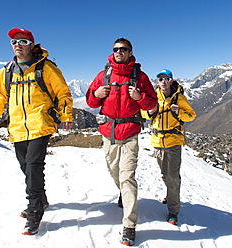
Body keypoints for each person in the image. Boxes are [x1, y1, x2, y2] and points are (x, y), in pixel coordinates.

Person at [0, 28, 73, 235]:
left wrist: (66, 115)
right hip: (17, 129)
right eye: (14, 42)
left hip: (40, 125)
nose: (17, 45)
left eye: (23, 41)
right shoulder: (6, 72)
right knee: (26, 166)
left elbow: (63, 93)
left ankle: (34, 212)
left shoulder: (46, 68)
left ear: (32, 45)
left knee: (33, 166)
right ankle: (40, 199)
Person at [86, 38, 157, 246]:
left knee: (127, 177)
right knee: (114, 171)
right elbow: (91, 101)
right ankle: (124, 195)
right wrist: (96, 94)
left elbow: (152, 103)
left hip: (130, 133)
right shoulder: (104, 75)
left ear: (130, 52)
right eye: (115, 49)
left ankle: (129, 225)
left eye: (123, 49)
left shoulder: (140, 77)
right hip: (108, 133)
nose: (119, 52)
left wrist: (139, 97)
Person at [142, 69, 196, 225]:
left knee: (172, 177)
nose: (163, 82)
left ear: (171, 81)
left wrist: (179, 112)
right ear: (158, 82)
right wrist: (149, 112)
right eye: (160, 79)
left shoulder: (179, 97)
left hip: (173, 142)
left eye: (166, 79)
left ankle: (173, 211)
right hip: (158, 142)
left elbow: (191, 115)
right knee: (165, 174)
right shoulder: (153, 97)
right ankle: (170, 196)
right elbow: (143, 113)